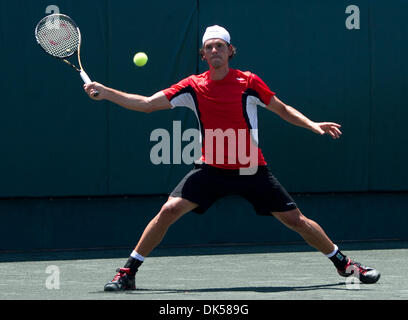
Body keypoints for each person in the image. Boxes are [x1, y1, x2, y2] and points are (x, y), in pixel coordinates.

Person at [84, 25, 380, 291]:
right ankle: (128, 273)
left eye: (220, 46)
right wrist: (106, 92)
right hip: (211, 169)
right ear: (203, 54)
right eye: (209, 47)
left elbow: (282, 108)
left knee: (296, 220)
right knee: (168, 210)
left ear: (229, 51)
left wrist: (313, 124)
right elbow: (148, 104)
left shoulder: (249, 82)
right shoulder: (193, 86)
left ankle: (345, 265)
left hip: (251, 168)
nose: (215, 51)